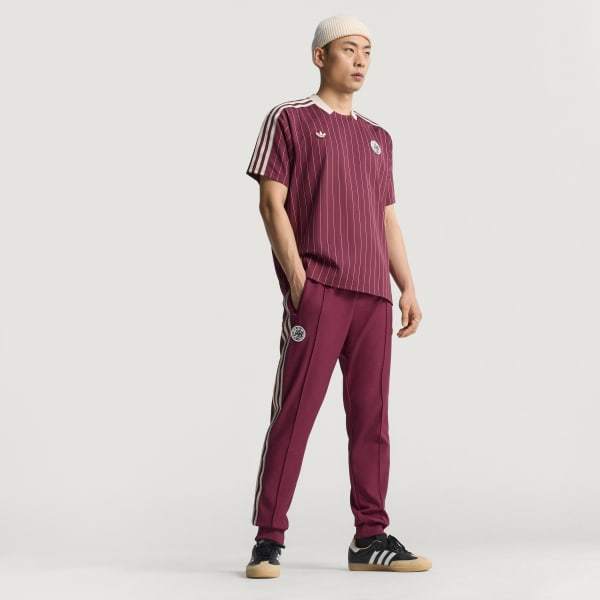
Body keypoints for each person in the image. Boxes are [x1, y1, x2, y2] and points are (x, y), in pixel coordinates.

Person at [244, 14, 431, 578]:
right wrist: (300, 283)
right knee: (295, 413)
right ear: (320, 56)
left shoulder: (379, 138)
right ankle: (268, 539)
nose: (360, 60)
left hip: (373, 295)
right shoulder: (290, 119)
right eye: (349, 49)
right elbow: (271, 204)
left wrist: (407, 285)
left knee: (372, 419)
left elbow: (387, 217)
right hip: (321, 290)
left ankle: (370, 537)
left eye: (367, 51)